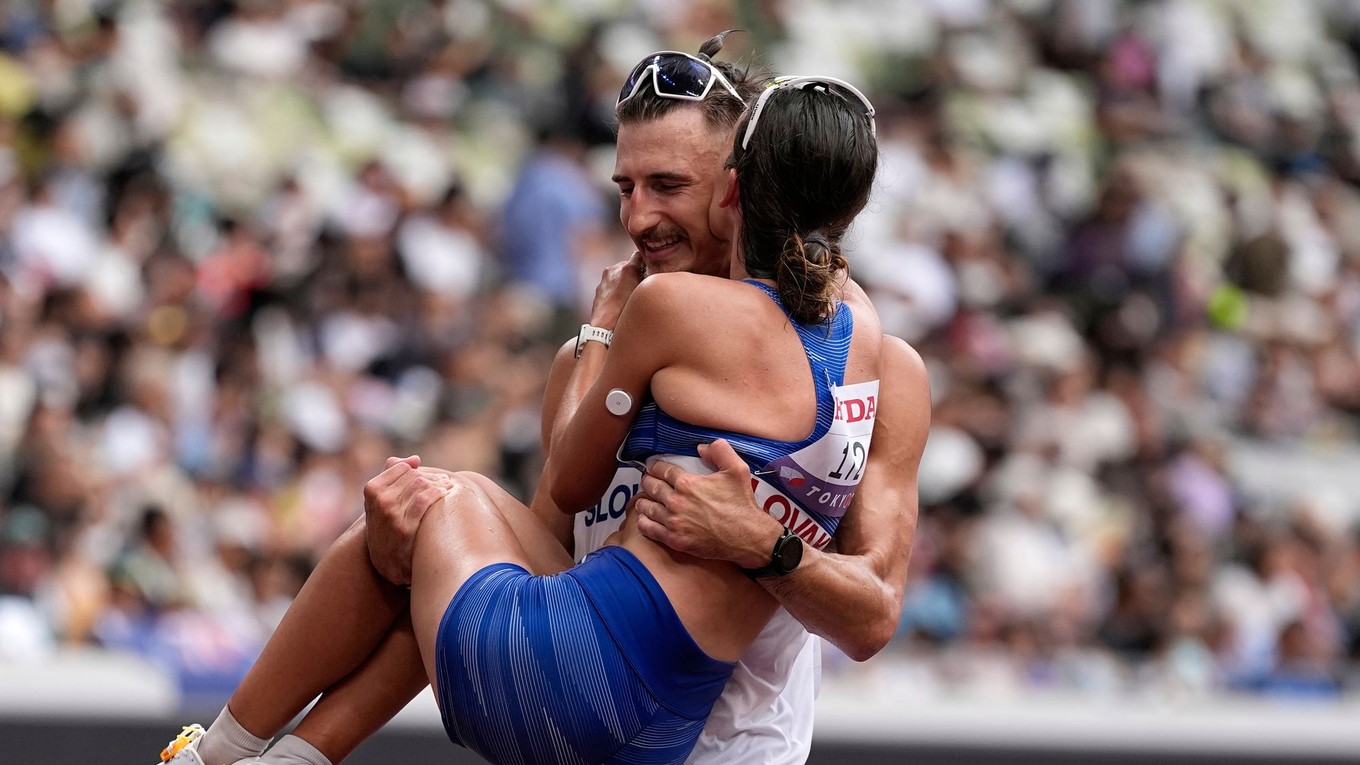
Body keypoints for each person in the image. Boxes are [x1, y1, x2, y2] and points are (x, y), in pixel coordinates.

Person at [155, 37, 927, 765]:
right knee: (410, 513)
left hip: (731, 747)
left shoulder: (879, 370)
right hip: (601, 716)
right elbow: (537, 578)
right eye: (624, 186)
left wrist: (762, 543)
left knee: (434, 502)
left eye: (668, 186)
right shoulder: (589, 358)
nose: (637, 218)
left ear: (740, 187)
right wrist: (411, 560)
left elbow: (872, 614)